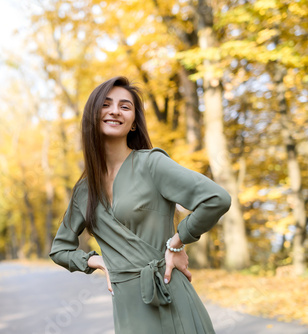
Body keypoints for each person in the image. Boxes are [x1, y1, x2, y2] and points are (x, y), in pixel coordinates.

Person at [49, 76, 231, 334]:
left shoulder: (152, 164)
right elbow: (60, 249)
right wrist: (99, 262)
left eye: (125, 106)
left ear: (134, 122)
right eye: (106, 104)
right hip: (127, 311)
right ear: (93, 114)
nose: (115, 111)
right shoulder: (84, 191)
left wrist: (176, 242)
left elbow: (216, 199)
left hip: (170, 296)